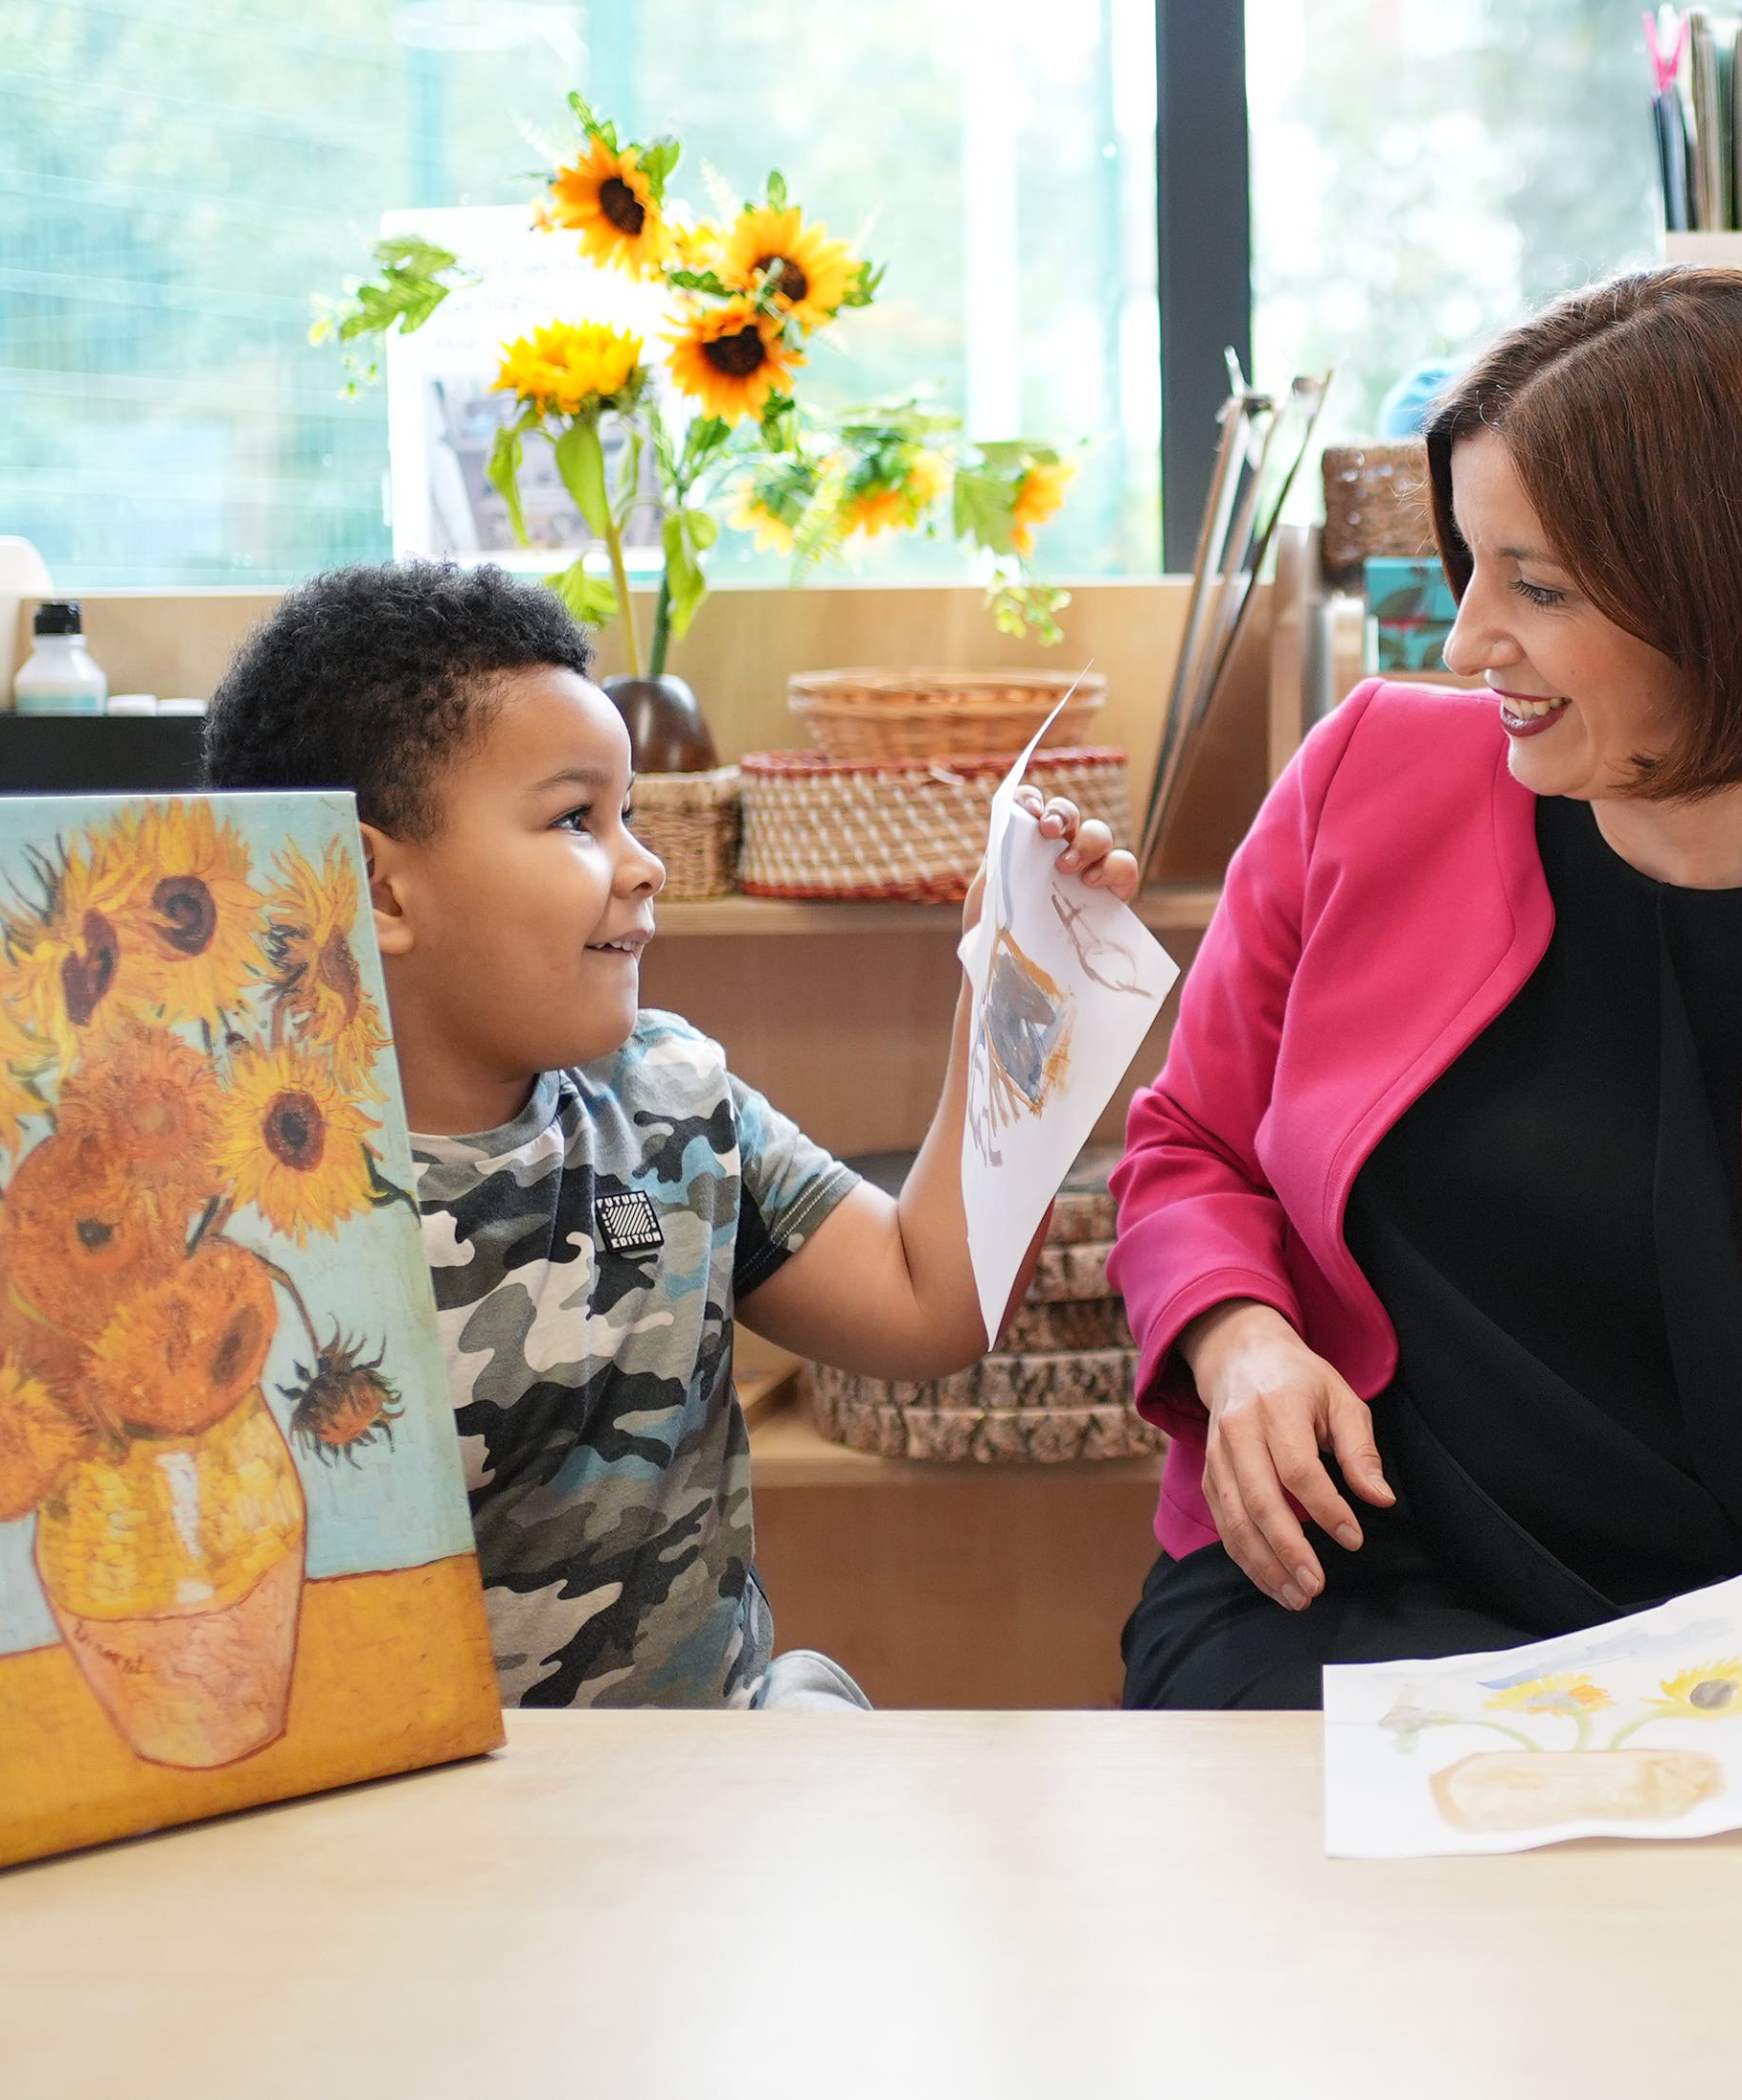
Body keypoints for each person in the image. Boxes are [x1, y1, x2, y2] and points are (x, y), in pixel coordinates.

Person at [1113, 266, 1742, 1724]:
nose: (1468, 642)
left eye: (1536, 587)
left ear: (1725, 595)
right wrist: (1242, 1334)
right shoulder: (1365, 773)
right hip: (1338, 1590)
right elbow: (1188, 1150)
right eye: (1470, 567)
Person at [205, 564, 1136, 1707]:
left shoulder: (675, 1100)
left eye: (629, 812)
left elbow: (927, 1296)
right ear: (376, 892)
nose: (644, 864)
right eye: (574, 819)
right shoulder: (224, 1203)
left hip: (699, 1797)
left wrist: (1021, 989)